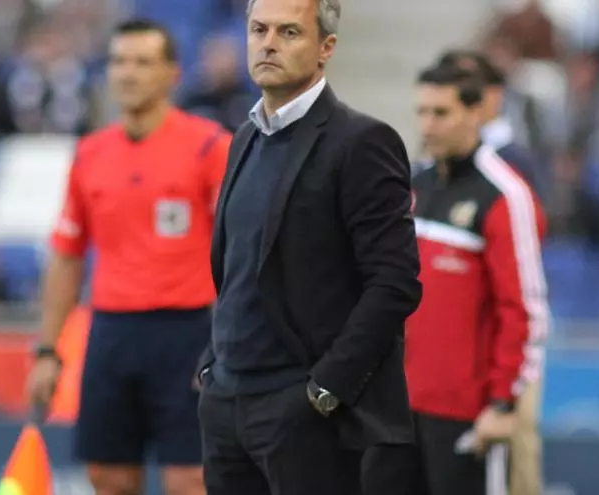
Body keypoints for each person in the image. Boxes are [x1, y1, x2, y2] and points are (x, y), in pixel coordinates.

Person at [195, 0, 422, 494]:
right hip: (227, 402)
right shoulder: (244, 137)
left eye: (289, 32)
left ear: (326, 47)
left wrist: (326, 390)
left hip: (302, 410)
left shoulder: (362, 141)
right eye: (258, 29)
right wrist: (213, 367)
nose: (268, 44)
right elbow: (236, 267)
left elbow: (395, 283)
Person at [26, 19, 231, 495]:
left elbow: (239, 252)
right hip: (111, 333)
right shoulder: (90, 154)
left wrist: (229, 342)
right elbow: (67, 255)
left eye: (142, 62)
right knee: (108, 476)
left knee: (190, 480)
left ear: (172, 74)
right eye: (119, 61)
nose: (128, 73)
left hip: (188, 333)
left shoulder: (209, 147)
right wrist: (47, 350)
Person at [407, 64, 549, 495]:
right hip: (398, 407)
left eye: (441, 113)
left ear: (475, 113)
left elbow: (524, 309)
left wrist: (503, 403)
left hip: (466, 413)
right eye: (422, 112)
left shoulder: (505, 194)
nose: (427, 126)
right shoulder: (413, 185)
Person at [436, 50, 544, 194]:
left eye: (467, 87)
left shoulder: (516, 161)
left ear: (495, 93)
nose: (457, 96)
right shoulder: (429, 161)